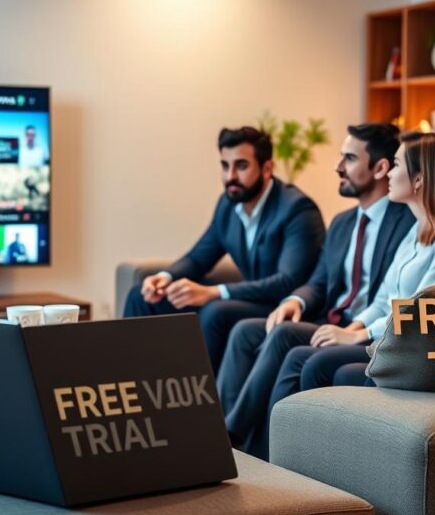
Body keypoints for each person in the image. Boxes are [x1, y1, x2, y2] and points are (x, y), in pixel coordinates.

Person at [217, 123, 415, 459]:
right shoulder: (342, 222)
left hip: (363, 328)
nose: (338, 166)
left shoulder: (406, 221)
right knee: (246, 331)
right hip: (330, 318)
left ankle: (233, 438)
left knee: (283, 337)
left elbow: (392, 297)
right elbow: (320, 282)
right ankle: (226, 429)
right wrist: (296, 299)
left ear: (380, 168)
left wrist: (354, 329)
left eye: (349, 158)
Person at [123, 126, 326, 372]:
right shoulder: (229, 203)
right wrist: (165, 278)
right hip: (246, 300)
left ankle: (200, 403)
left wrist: (214, 292)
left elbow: (287, 281)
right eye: (225, 165)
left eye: (241, 166)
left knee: (216, 311)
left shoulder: (297, 210)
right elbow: (200, 256)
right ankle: (133, 387)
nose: (230, 176)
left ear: (267, 168)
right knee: (141, 296)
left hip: (283, 306)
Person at [271, 132, 435, 404]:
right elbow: (383, 299)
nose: (389, 173)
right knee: (299, 351)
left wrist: (359, 334)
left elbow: (417, 310)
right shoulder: (415, 230)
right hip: (380, 334)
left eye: (397, 165)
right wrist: (353, 329)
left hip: (402, 345)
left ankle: (288, 444)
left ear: (419, 179)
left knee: (310, 362)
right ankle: (267, 442)